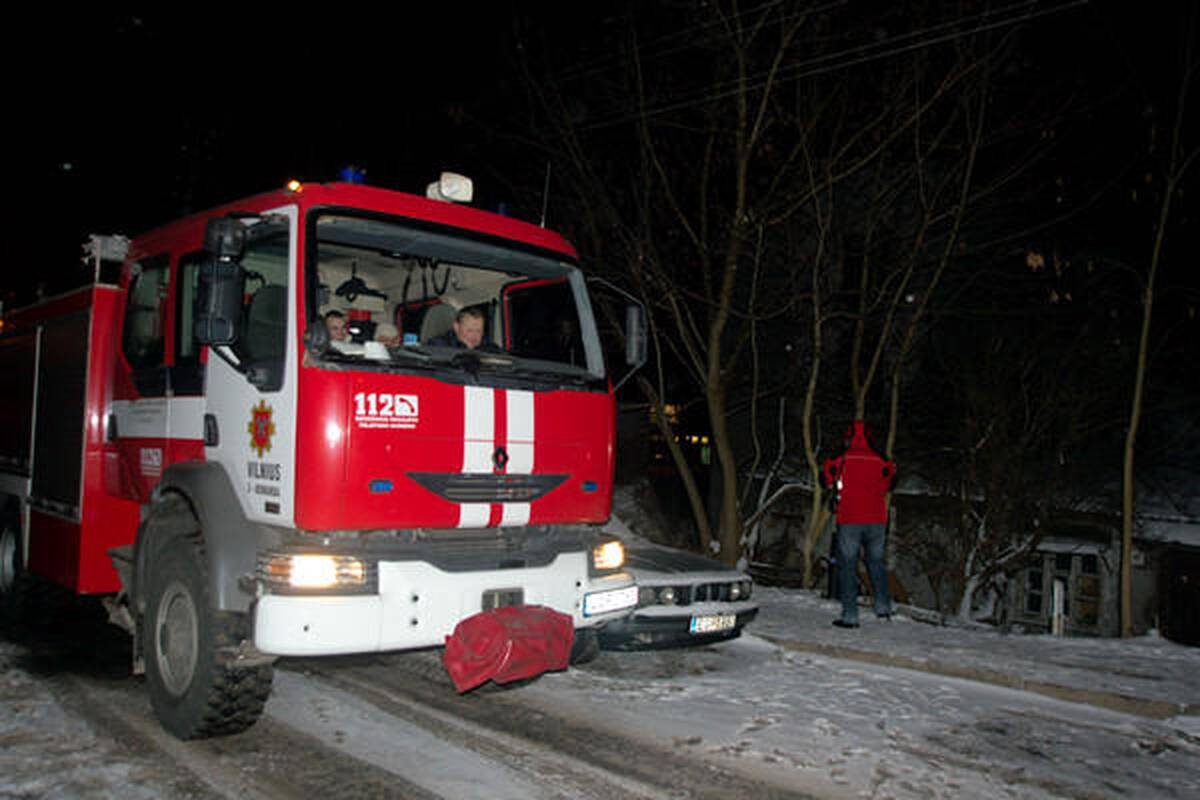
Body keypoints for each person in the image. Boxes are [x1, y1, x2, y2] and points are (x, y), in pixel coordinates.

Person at [822, 420, 896, 628]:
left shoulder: (842, 457)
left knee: (848, 566)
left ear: (848, 437)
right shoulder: (880, 458)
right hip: (877, 519)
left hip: (850, 518)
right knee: (876, 563)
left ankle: (850, 616)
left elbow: (827, 476)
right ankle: (883, 608)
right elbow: (891, 480)